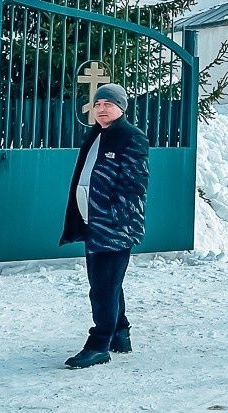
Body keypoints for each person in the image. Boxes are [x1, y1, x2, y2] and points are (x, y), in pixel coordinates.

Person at [59, 83, 149, 369]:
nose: (101, 109)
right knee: (109, 284)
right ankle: (120, 333)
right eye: (98, 104)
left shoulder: (131, 137)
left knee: (102, 288)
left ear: (121, 107)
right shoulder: (96, 135)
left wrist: (112, 220)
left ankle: (98, 345)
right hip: (92, 223)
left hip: (114, 227)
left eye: (108, 104)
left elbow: (134, 186)